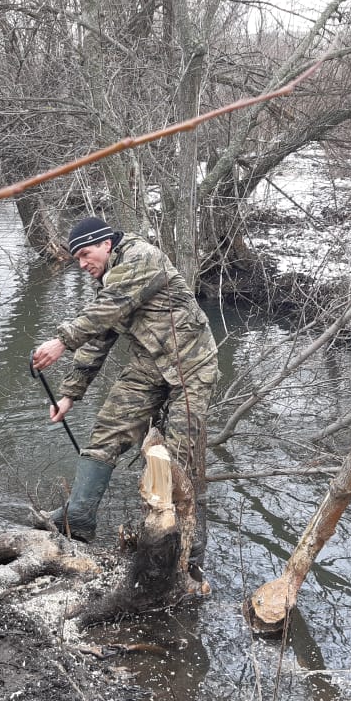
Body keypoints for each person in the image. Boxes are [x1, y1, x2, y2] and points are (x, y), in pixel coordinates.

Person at [31, 217, 219, 574]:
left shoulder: (141, 257)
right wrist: (70, 394)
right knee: (106, 432)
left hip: (191, 365)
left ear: (105, 244)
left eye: (86, 254)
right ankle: (81, 517)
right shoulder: (110, 279)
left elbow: (106, 311)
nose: (83, 264)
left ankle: (190, 548)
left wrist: (61, 340)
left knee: (181, 459)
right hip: (149, 364)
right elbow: (100, 337)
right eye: (77, 260)